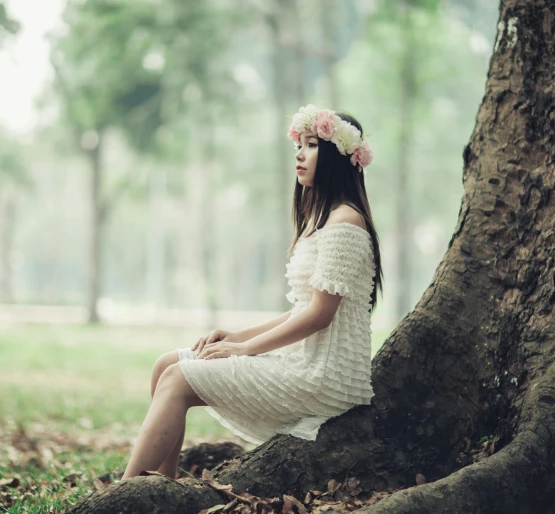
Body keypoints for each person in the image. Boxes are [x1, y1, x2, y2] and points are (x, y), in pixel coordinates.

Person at [121, 105, 384, 480]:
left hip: (324, 378)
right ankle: (161, 487)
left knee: (177, 378)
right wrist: (236, 336)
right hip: (302, 362)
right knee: (166, 364)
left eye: (312, 145)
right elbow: (302, 309)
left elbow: (319, 316)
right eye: (300, 144)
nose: (299, 153)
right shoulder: (323, 221)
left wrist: (245, 349)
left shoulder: (346, 222)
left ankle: (126, 493)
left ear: (338, 158)